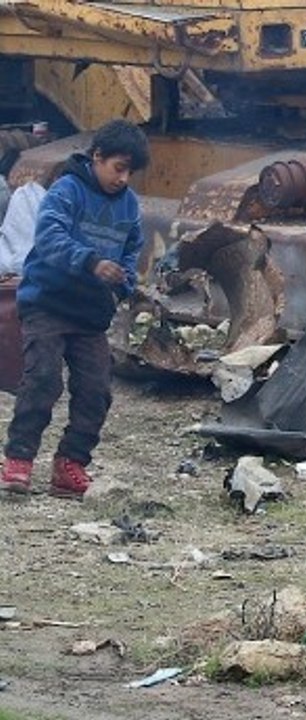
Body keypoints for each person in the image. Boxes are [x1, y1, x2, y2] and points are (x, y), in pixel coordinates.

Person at [1, 119, 150, 498]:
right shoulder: (67, 190)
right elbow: (49, 237)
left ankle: (70, 464)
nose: (123, 178)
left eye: (130, 172)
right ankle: (19, 459)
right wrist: (90, 262)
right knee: (43, 379)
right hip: (48, 303)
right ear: (97, 156)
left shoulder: (130, 206)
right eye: (118, 168)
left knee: (96, 391)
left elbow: (132, 252)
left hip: (90, 314)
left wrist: (123, 285)